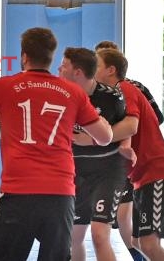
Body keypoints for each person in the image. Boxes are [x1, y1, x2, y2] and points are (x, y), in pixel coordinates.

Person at [0, 27, 112, 261]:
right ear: (51, 58)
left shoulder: (4, 86)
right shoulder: (73, 93)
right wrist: (105, 123)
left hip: (18, 192)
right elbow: (104, 138)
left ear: (24, 56)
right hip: (60, 195)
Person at [58, 47, 136, 261]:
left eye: (64, 65)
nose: (58, 69)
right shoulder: (60, 94)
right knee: (74, 238)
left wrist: (95, 139)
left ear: (78, 72)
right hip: (76, 171)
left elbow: (128, 127)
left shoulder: (112, 97)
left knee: (100, 235)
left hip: (107, 171)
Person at [95, 40, 164, 261]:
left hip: (155, 171)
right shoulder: (112, 95)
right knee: (137, 242)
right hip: (140, 176)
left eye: (95, 65)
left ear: (111, 69)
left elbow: (131, 125)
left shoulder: (124, 89)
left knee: (150, 243)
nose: (90, 71)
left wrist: (101, 138)